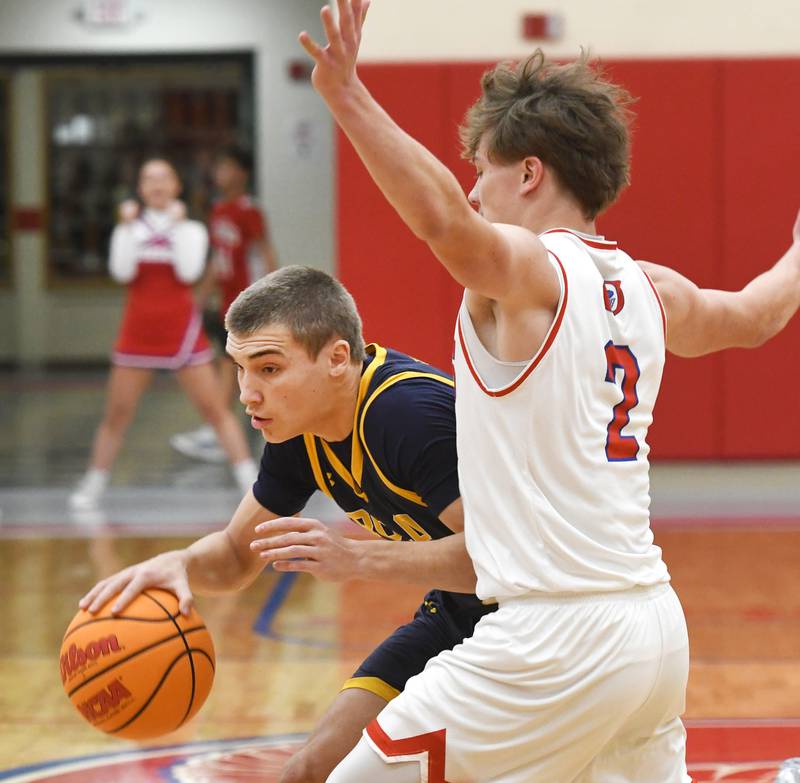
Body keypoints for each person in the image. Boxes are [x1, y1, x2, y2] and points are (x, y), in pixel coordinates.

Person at [296, 3, 800, 782]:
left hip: (554, 641)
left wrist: (347, 97)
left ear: (529, 172)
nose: (471, 191)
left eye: (482, 172)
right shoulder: (650, 288)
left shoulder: (530, 274)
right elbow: (759, 314)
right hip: (653, 629)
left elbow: (438, 219)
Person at [78, 265, 487, 782]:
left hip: (542, 616)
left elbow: (503, 562)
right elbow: (232, 558)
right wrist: (177, 563)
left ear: (338, 358)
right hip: (457, 613)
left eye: (269, 369)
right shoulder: (298, 432)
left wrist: (356, 556)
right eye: (240, 369)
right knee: (309, 771)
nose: (247, 392)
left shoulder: (406, 415)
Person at [69, 158, 259, 510]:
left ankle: (250, 480)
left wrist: (172, 227)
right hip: (137, 331)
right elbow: (122, 271)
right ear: (140, 189)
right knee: (117, 412)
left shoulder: (192, 230)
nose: (156, 185)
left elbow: (187, 271)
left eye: (164, 178)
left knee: (214, 409)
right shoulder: (128, 229)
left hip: (181, 331)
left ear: (176, 186)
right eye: (148, 179)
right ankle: (94, 482)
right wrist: (127, 229)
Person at [170, 146, 279, 464]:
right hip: (226, 301)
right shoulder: (218, 211)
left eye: (227, 167)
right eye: (219, 168)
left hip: (249, 299)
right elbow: (218, 261)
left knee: (232, 363)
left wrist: (274, 294)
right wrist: (199, 297)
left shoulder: (249, 211)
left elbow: (264, 251)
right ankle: (220, 429)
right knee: (229, 364)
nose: (221, 174)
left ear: (242, 173)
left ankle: (217, 430)